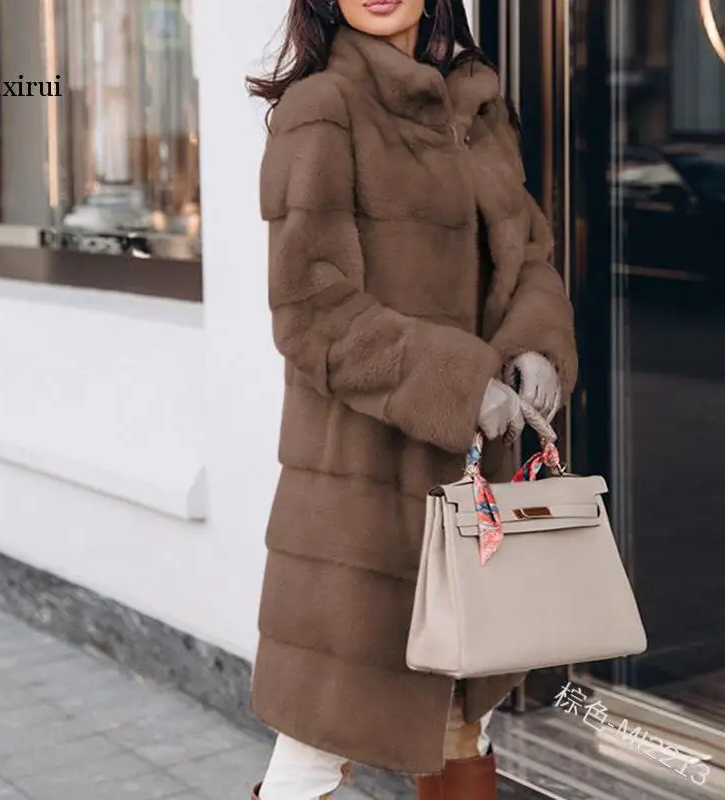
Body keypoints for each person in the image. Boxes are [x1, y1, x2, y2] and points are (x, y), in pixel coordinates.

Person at [246, 1, 577, 798]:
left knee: (466, 721)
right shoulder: (321, 108)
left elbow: (528, 251)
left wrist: (535, 341)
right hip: (361, 489)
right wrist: (460, 383)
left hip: (471, 487)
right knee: (315, 747)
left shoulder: (478, 104)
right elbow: (312, 308)